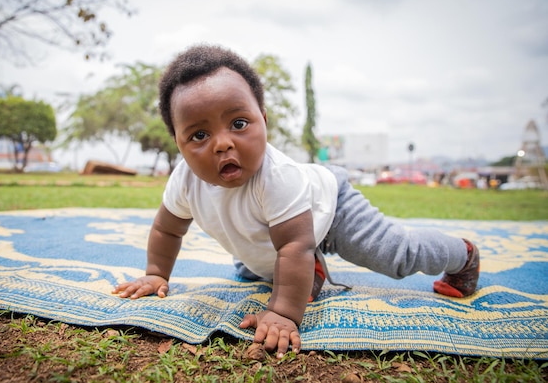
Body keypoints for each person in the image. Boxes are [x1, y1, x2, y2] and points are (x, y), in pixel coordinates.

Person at [113, 44, 480, 358]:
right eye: (199, 134)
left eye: (239, 124)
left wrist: (284, 314)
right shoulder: (184, 180)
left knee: (395, 255)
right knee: (253, 266)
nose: (222, 142)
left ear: (264, 120)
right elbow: (167, 229)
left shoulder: (277, 176)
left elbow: (292, 244)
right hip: (280, 235)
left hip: (330, 210)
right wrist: (156, 274)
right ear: (178, 143)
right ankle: (310, 270)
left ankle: (462, 254)